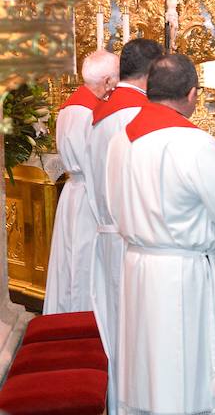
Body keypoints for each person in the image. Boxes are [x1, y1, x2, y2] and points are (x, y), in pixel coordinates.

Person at [107, 54, 215, 415]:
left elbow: (113, 201)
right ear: (192, 94)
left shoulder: (121, 140)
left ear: (149, 88)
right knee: (186, 365)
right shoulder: (193, 144)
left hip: (138, 265)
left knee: (148, 364)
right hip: (187, 273)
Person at [86, 38, 163, 413]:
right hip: (133, 238)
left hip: (105, 234)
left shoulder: (101, 111)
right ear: (151, 74)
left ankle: (118, 403)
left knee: (114, 330)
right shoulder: (139, 115)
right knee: (138, 334)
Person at [43, 50, 119, 315]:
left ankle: (68, 312)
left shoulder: (70, 105)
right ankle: (82, 318)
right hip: (90, 194)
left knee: (71, 258)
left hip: (76, 192)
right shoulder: (89, 111)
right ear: (108, 79)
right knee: (84, 260)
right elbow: (96, 160)